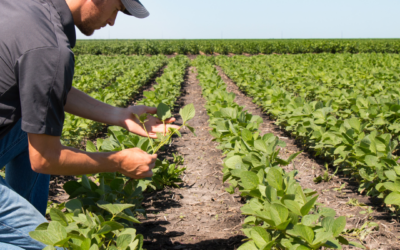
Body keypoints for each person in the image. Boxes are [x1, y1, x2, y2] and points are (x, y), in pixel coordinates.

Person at [0, 0, 176, 249]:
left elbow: (46, 87)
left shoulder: (27, 9)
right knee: (52, 245)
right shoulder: (50, 47)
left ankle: (27, 220)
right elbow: (45, 159)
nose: (114, 21)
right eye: (117, 9)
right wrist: (119, 162)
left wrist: (120, 115)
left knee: (32, 124)